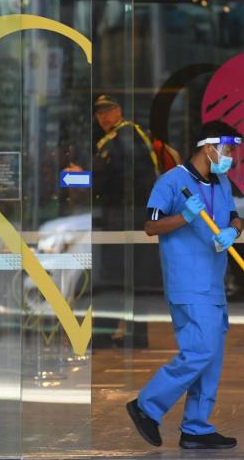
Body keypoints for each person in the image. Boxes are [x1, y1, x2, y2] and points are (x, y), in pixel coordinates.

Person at [126, 121, 244, 450]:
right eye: (228, 149)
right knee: (200, 351)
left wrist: (233, 232)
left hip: (214, 281)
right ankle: (146, 405)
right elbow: (151, 226)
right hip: (187, 282)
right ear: (209, 147)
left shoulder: (222, 182)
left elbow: (234, 217)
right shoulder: (171, 182)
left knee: (212, 356)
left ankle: (196, 427)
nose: (230, 156)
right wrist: (185, 218)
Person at [91, 94, 160, 348]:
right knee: (126, 278)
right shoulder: (119, 137)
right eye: (99, 113)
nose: (103, 116)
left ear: (119, 110)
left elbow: (108, 176)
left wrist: (74, 178)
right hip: (125, 216)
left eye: (108, 110)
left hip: (127, 216)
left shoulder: (125, 136)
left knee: (118, 277)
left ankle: (111, 335)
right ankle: (128, 335)